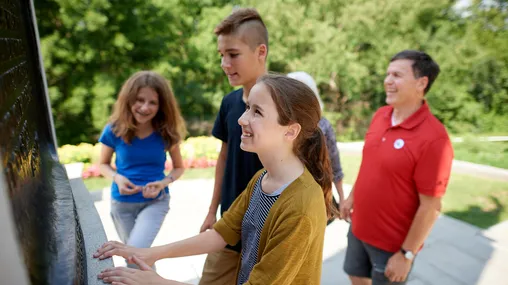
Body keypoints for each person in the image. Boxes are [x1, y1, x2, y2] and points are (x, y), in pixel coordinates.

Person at [94, 74, 338, 285]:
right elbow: (222, 233)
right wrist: (148, 254)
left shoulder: (301, 207)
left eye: (257, 112)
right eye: (247, 108)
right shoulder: (262, 178)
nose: (242, 119)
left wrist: (158, 281)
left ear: (290, 131)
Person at [342, 50, 454, 285]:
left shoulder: (435, 138)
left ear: (421, 83)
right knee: (355, 276)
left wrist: (407, 254)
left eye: (397, 75)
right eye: (387, 74)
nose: (387, 81)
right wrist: (351, 198)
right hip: (359, 228)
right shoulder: (381, 115)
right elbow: (369, 165)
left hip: (392, 246)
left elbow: (431, 207)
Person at [198, 8, 268, 285]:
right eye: (221, 55)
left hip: (268, 228)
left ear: (260, 51)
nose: (225, 63)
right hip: (229, 223)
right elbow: (224, 158)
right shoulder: (229, 102)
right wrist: (211, 210)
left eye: (233, 54)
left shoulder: (286, 100)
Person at [98, 70, 186, 266]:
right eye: (139, 100)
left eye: (152, 102)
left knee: (134, 256)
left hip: (155, 202)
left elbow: (179, 168)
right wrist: (117, 178)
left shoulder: (166, 132)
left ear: (161, 105)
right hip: (121, 206)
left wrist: (163, 182)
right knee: (139, 260)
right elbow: (102, 164)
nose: (145, 107)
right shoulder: (114, 130)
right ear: (129, 99)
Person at [287, 71, 346, 223]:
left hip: (315, 197)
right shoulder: (279, 123)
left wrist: (342, 198)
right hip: (285, 195)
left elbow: (334, 164)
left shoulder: (323, 125)